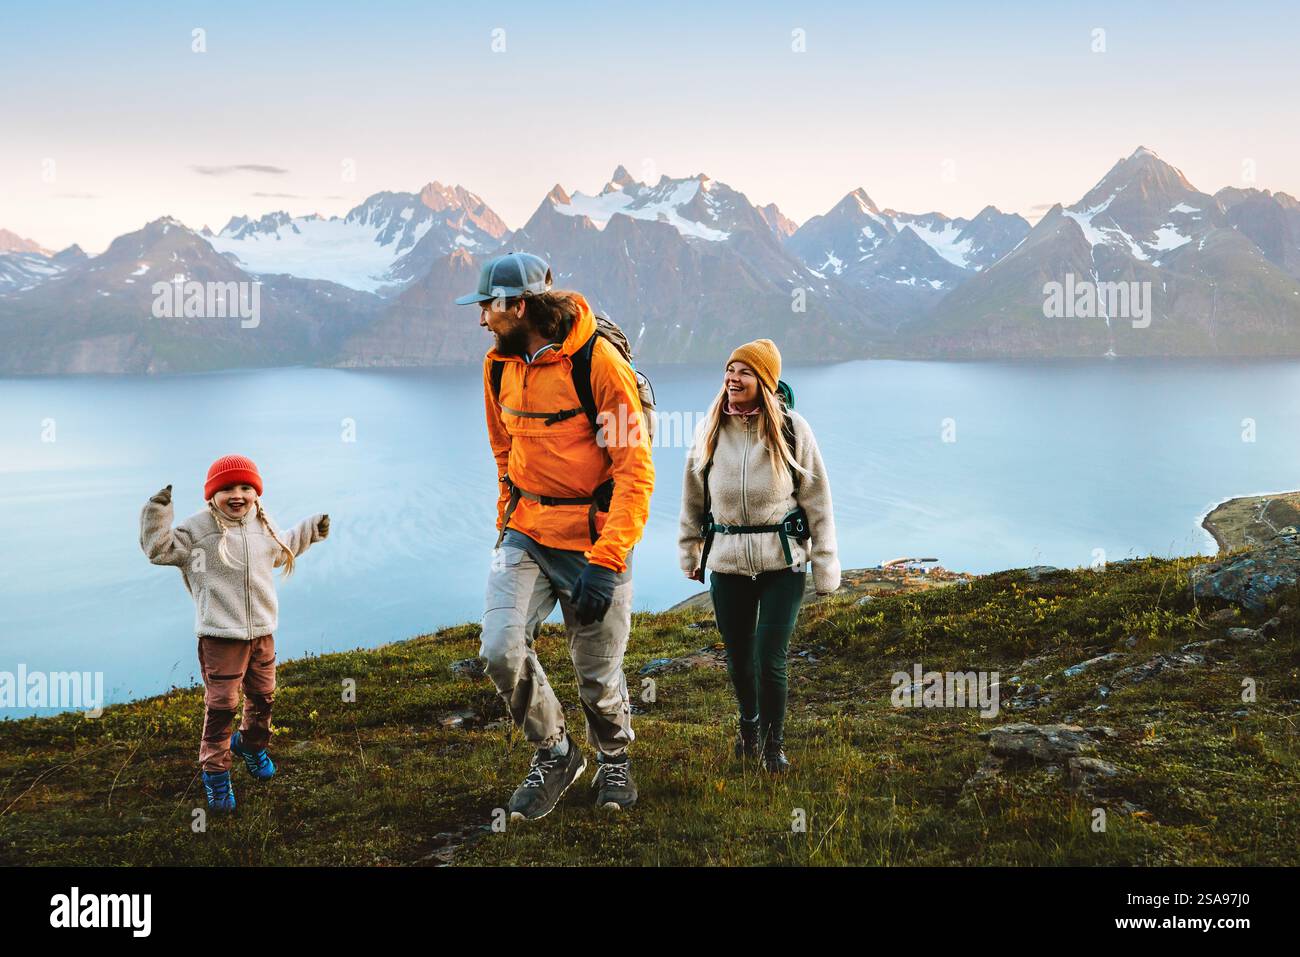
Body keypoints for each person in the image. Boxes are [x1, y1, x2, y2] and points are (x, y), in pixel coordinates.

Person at [457, 252, 655, 821]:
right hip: (523, 534)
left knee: (597, 676)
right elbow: (504, 451)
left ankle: (614, 758)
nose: (481, 320)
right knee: (499, 647)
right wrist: (504, 525)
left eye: (487, 308)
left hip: (594, 543)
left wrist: (608, 559)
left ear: (518, 307)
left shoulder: (599, 365)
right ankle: (556, 751)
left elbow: (634, 470)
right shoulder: (499, 365)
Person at [678, 339, 840, 772]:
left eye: (744, 371)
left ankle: (773, 746)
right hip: (727, 563)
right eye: (730, 369)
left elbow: (818, 499)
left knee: (770, 658)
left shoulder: (792, 429)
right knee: (738, 657)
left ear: (764, 382)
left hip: (781, 563)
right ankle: (748, 722)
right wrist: (691, 552)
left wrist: (824, 563)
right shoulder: (709, 429)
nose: (733, 378)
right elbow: (693, 499)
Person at [139, 454, 330, 813]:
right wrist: (157, 510)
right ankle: (216, 772)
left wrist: (310, 530)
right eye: (227, 488)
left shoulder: (262, 522)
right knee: (222, 706)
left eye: (246, 487)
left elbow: (281, 547)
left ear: (256, 492)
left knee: (264, 697)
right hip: (220, 636)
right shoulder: (198, 530)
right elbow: (159, 550)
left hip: (262, 632)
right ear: (212, 494)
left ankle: (252, 747)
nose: (237, 494)